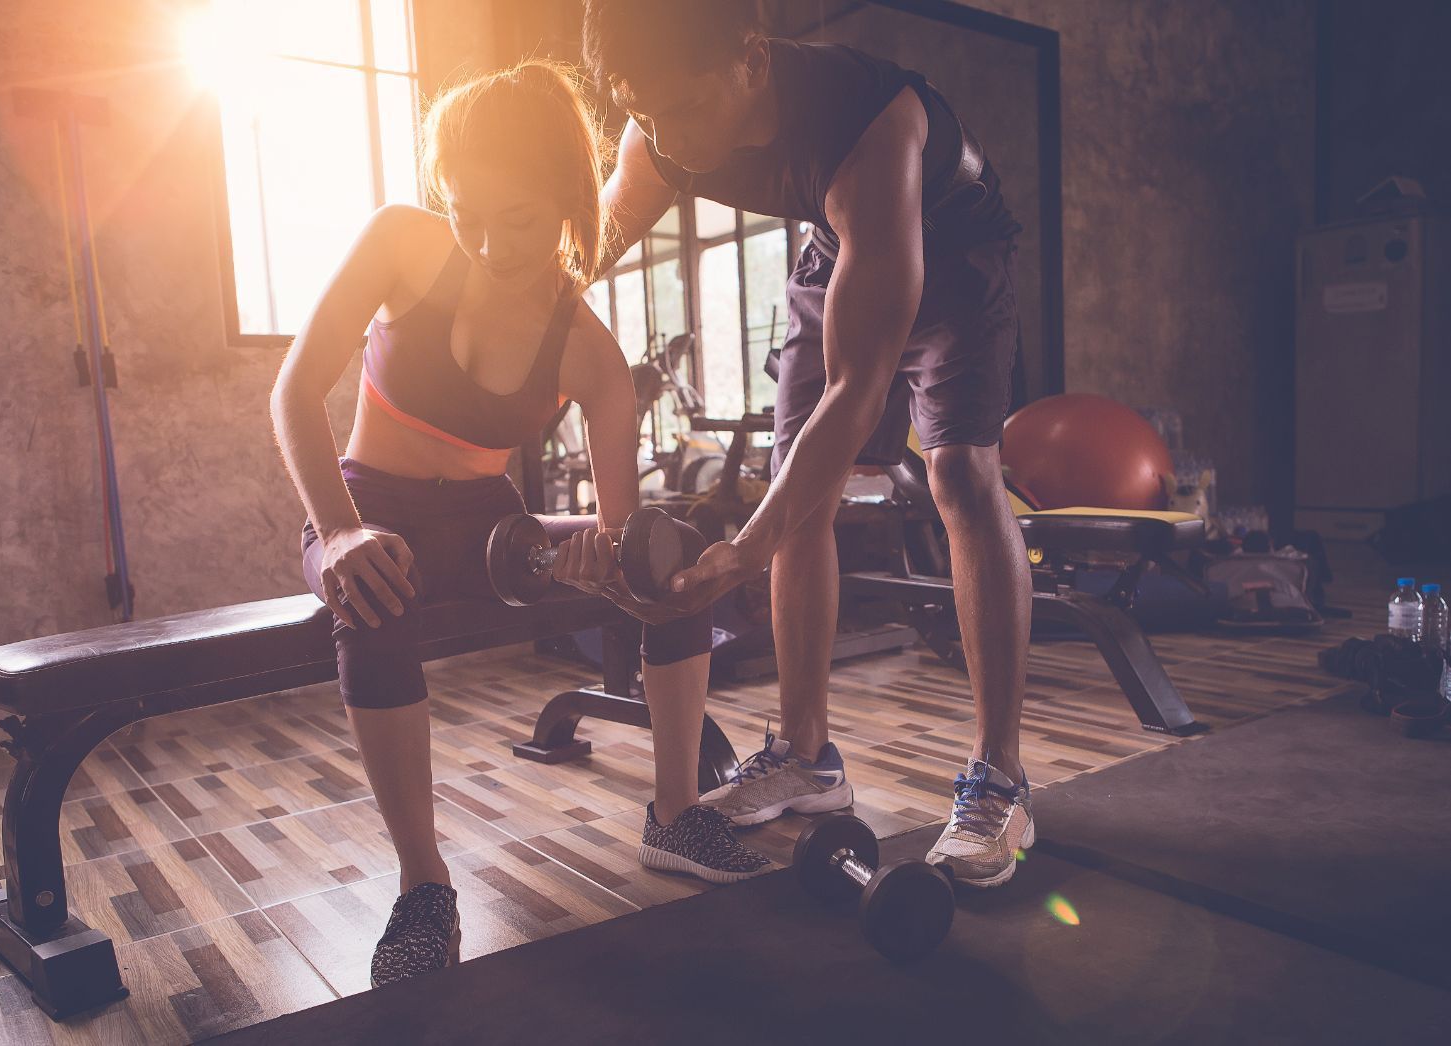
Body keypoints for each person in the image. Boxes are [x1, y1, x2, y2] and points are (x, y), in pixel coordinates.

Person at [270, 60, 767, 987]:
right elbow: (294, 392)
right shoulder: (401, 243)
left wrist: (602, 564)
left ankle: (674, 811)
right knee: (376, 595)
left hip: (489, 531)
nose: (489, 242)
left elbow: (624, 546)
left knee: (678, 561)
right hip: (365, 510)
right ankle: (424, 890)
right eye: (467, 212)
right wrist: (335, 531)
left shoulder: (584, 347)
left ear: (571, 202)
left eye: (519, 219)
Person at [582, 0, 1034, 888]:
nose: (665, 137)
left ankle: (998, 781)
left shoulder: (870, 130)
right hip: (842, 247)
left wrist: (747, 550)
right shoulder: (659, 134)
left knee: (959, 476)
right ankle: (806, 756)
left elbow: (854, 393)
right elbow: (567, 259)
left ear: (750, 60)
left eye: (680, 107)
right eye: (644, 113)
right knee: (800, 489)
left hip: (952, 246)